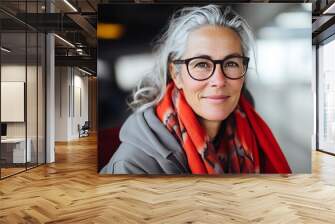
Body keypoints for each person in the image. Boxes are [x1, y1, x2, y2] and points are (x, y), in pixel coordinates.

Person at [100, 4, 291, 174]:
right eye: (201, 64)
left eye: (231, 63)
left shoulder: (253, 136)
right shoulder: (134, 167)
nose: (219, 80)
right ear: (176, 74)